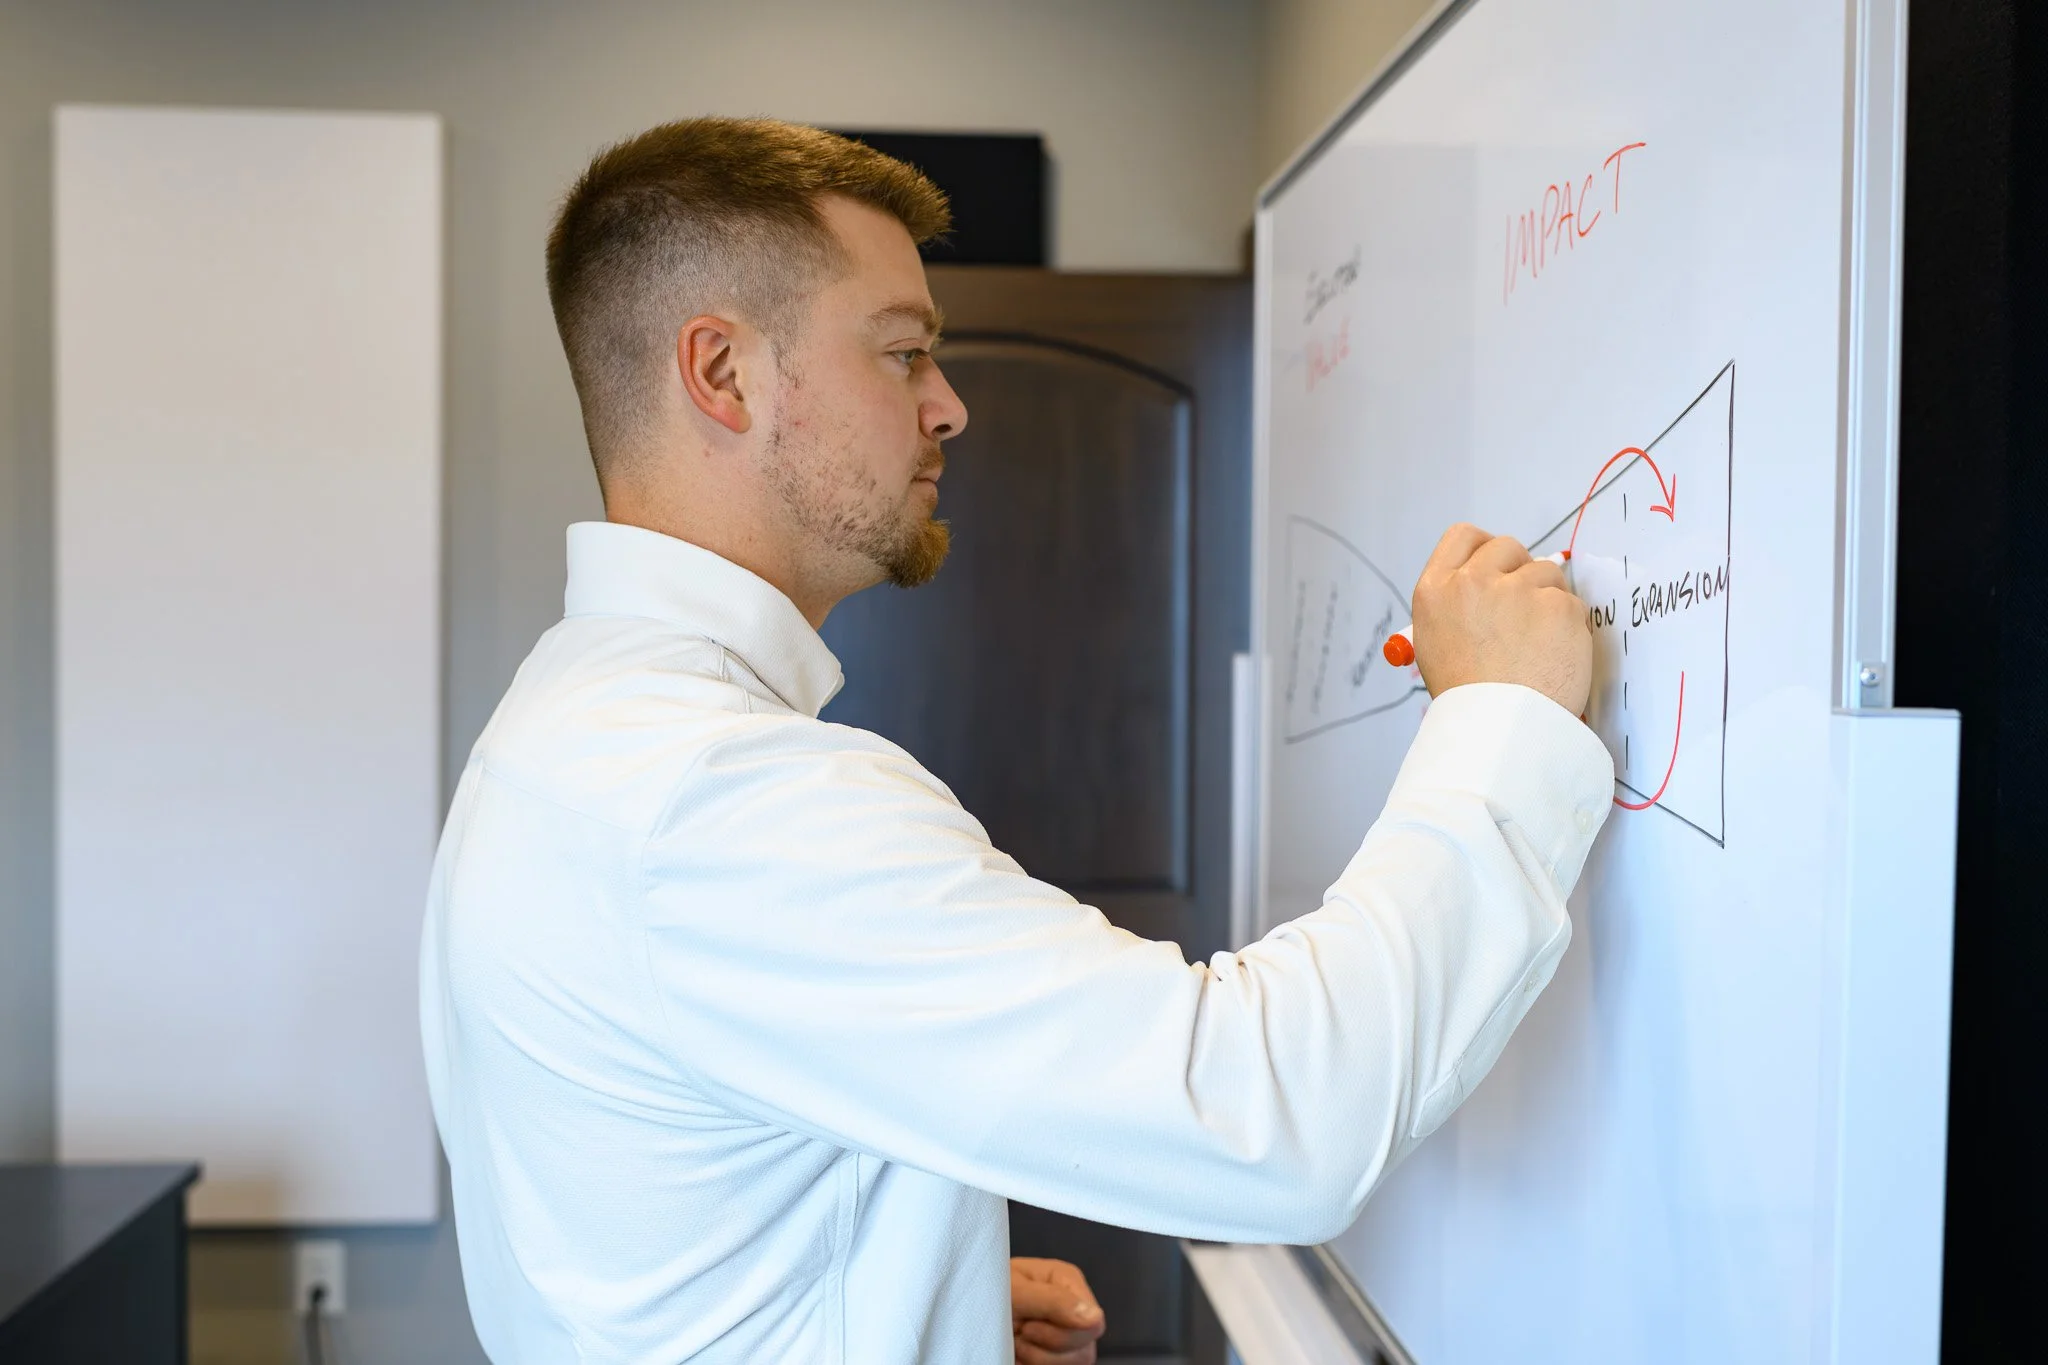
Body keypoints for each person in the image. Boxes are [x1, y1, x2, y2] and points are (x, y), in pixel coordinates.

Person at [420, 117, 1612, 1365]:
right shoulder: (717, 802)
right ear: (722, 374)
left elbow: (645, 1197)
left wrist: (912, 1290)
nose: (949, 407)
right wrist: (1506, 720)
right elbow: (1273, 1110)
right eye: (901, 353)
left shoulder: (555, 738)